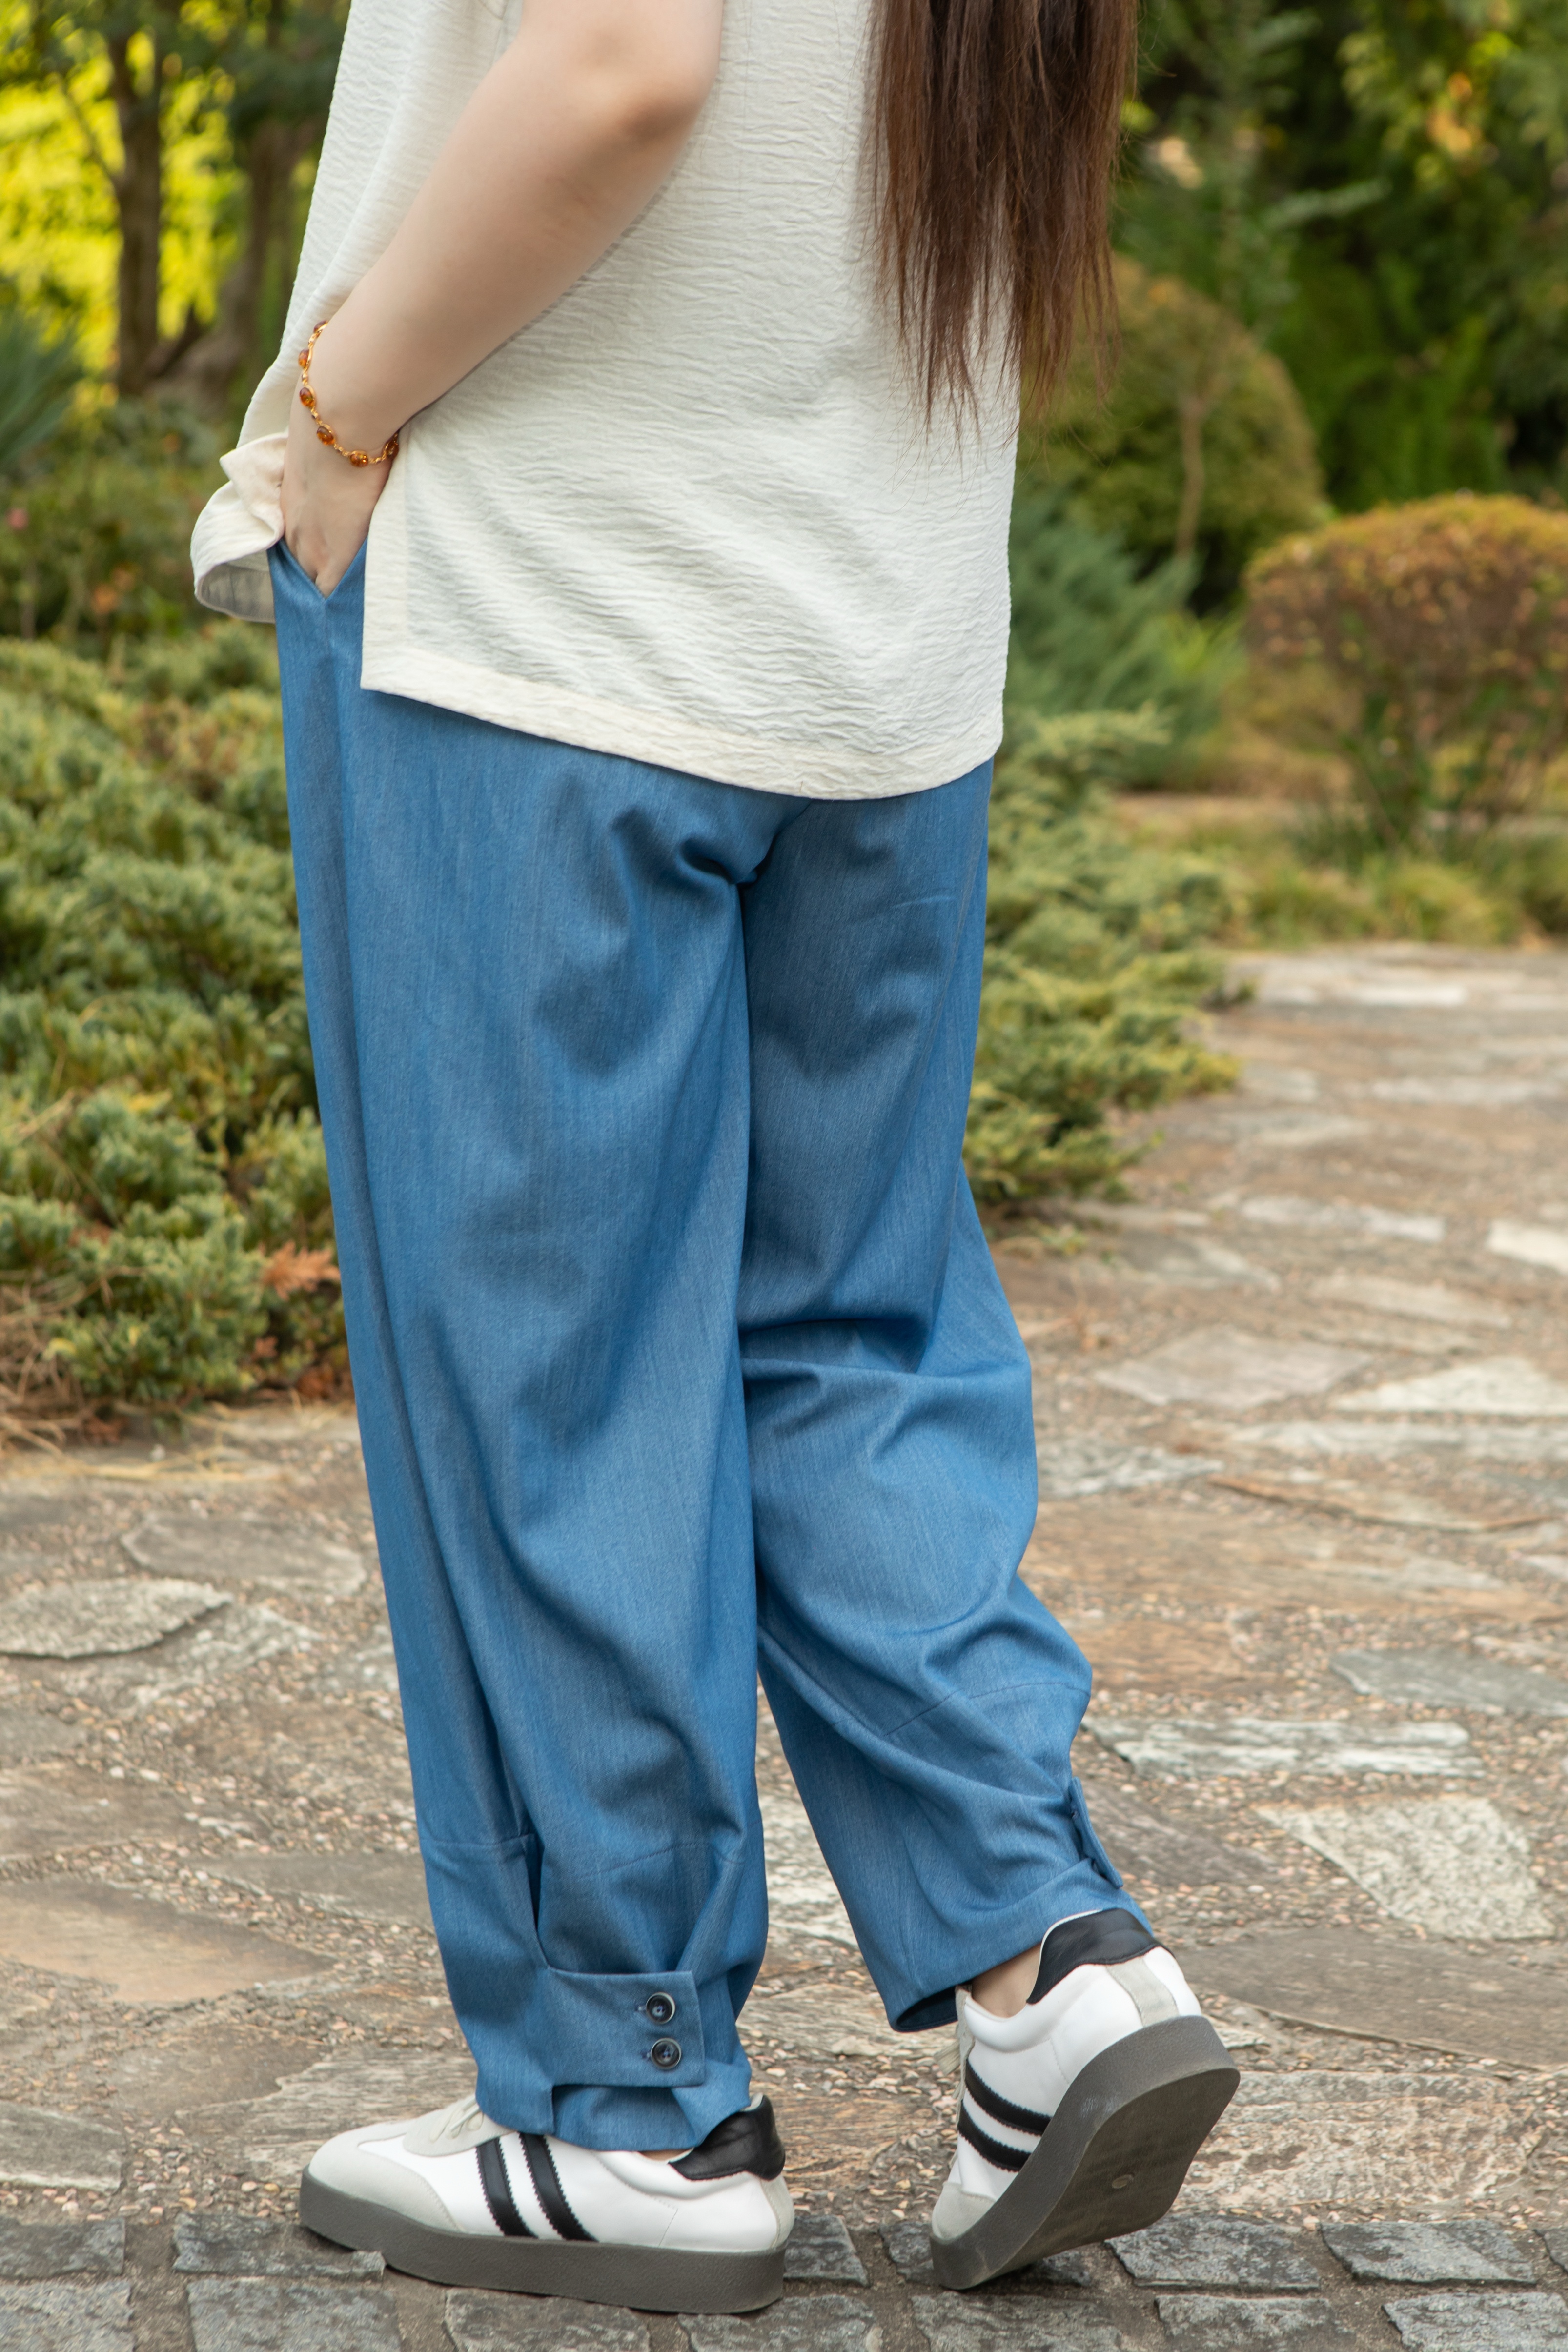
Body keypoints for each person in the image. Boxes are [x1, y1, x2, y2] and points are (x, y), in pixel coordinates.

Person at [190, 0, 1238, 2315]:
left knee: (550, 1370)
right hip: (880, 653)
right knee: (846, 1327)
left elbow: (626, 59)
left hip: (547, 620)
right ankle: (1049, 1962)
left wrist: (333, 412)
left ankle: (624, 2092)